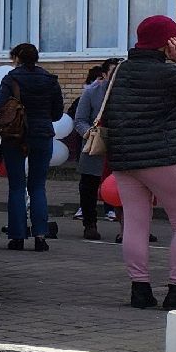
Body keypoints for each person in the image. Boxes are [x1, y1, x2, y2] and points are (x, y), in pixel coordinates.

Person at [100, 16, 176, 309]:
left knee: (136, 224)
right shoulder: (166, 73)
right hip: (164, 159)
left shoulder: (122, 70)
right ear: (167, 43)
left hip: (126, 161)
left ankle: (139, 290)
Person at [0, 42, 65, 251]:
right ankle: (40, 236)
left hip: (15, 136)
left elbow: (0, 107)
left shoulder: (11, 79)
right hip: (42, 135)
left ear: (16, 58)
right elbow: (58, 113)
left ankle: (17, 237)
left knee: (16, 186)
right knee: (37, 187)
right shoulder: (50, 80)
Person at [72, 59, 120, 240]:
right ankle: (89, 223)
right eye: (113, 73)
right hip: (95, 146)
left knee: (128, 188)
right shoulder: (92, 92)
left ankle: (131, 227)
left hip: (122, 146)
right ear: (104, 74)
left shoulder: (129, 92)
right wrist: (89, 135)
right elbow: (79, 121)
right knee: (89, 186)